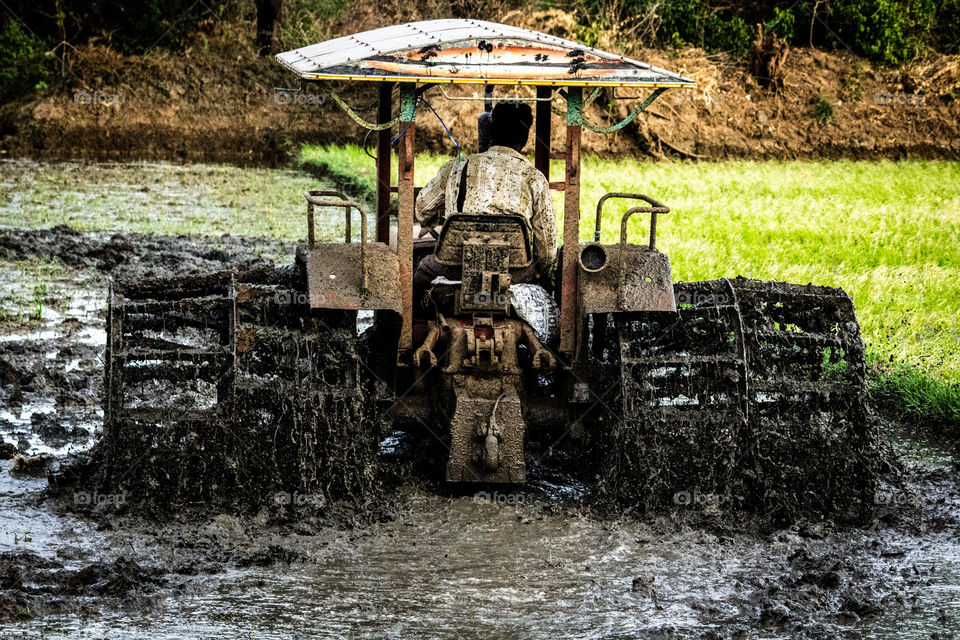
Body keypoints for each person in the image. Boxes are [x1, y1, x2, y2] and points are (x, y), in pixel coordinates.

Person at [413, 102, 558, 295]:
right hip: (513, 276)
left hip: (455, 271)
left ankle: (407, 323)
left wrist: (435, 221)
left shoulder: (456, 167)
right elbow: (547, 249)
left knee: (421, 273)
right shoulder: (535, 178)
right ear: (525, 138)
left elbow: (422, 209)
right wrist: (537, 271)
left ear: (491, 131)